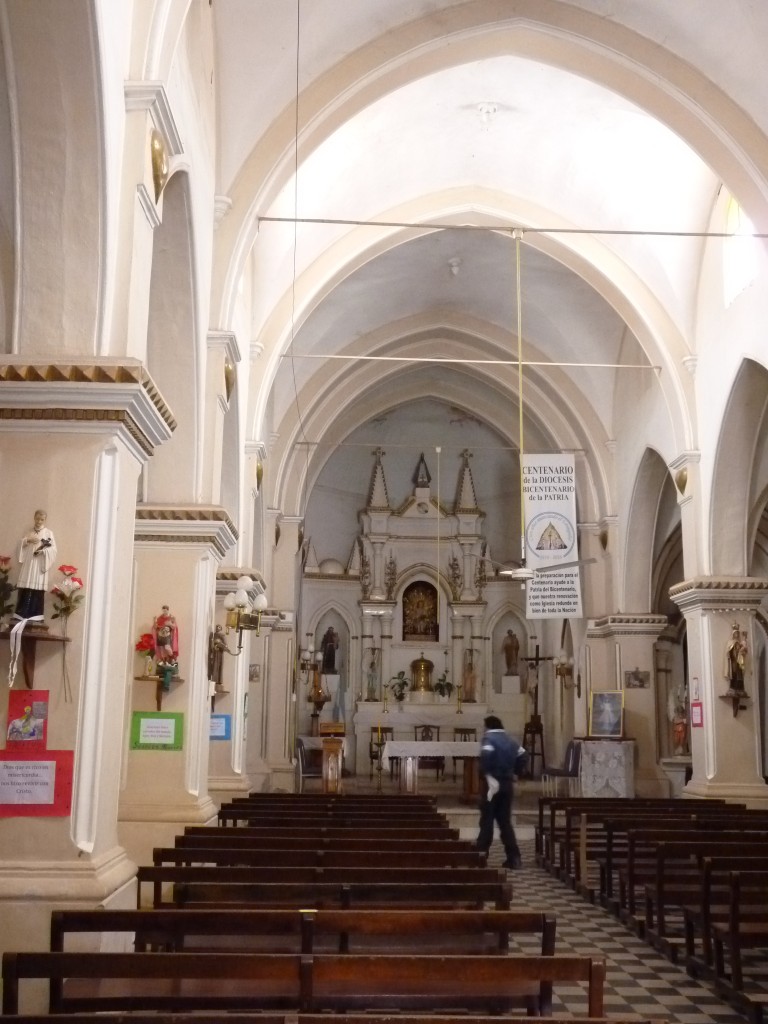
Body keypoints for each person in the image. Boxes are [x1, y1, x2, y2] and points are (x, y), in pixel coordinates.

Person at [476, 714, 528, 869]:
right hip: (507, 785)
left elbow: (485, 758)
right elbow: (524, 755)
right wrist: (516, 772)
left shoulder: (489, 739)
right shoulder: (510, 740)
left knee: (487, 821)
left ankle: (480, 856)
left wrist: (484, 773)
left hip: (492, 785)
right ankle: (514, 858)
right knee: (505, 823)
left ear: (488, 726)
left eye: (484, 727)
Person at [14, 509, 57, 620]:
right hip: (29, 562)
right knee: (26, 585)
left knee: (36, 587)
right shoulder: (29, 531)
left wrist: (43, 551)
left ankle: (35, 614)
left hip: (39, 564)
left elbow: (53, 549)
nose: (39, 521)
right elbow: (20, 544)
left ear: (45, 520)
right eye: (37, 519)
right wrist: (27, 540)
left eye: (42, 519)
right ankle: (21, 613)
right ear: (34, 518)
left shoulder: (48, 533)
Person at [725, 622, 748, 693]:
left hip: (739, 661)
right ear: (733, 634)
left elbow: (744, 651)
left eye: (738, 633)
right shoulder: (730, 642)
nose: (737, 635)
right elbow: (728, 651)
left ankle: (740, 688)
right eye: (735, 633)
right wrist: (733, 648)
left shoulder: (740, 642)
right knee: (734, 673)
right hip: (733, 661)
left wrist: (742, 649)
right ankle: (733, 687)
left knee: (740, 674)